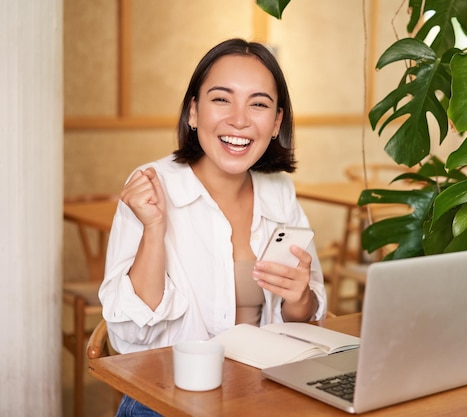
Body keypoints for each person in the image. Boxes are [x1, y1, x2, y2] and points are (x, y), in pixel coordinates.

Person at [99, 38, 327, 416]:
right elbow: (130, 337)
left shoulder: (279, 192)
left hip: (261, 392)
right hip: (166, 398)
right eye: (222, 99)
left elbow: (307, 314)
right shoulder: (152, 185)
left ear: (276, 124)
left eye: (258, 104)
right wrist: (154, 230)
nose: (239, 119)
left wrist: (299, 297)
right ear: (193, 112)